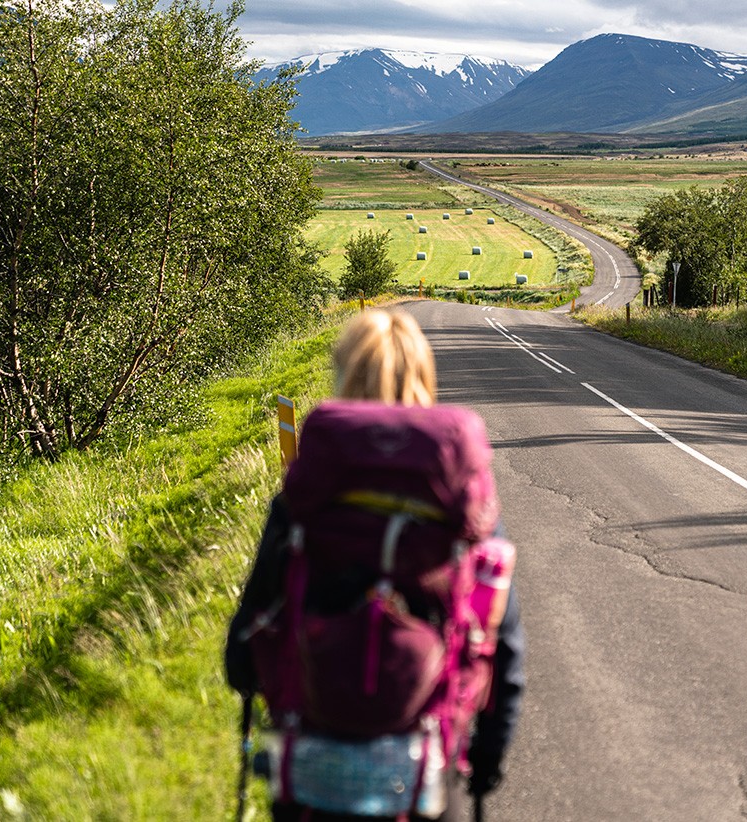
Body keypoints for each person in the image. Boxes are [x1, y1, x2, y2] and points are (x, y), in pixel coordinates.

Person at [225, 309, 525, 822]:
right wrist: (488, 756)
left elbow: (243, 652)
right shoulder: (461, 503)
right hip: (427, 766)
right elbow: (503, 646)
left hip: (314, 763)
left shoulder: (305, 501)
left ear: (344, 376)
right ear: (424, 380)